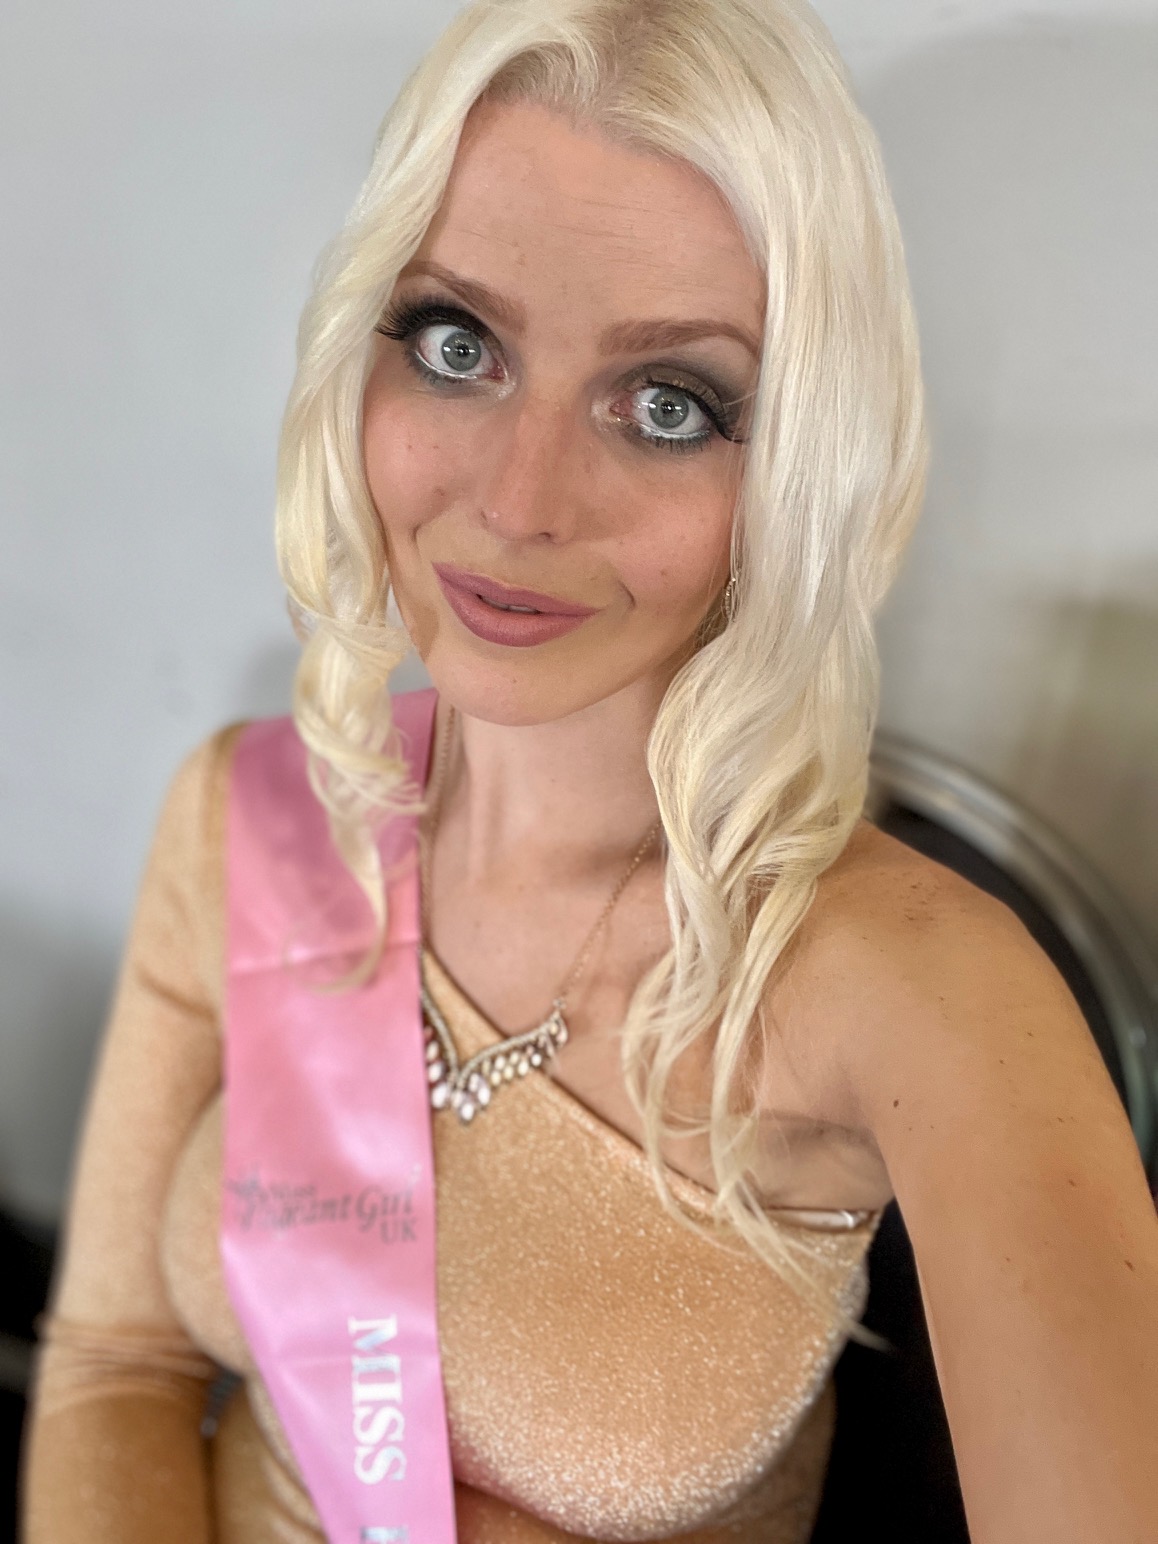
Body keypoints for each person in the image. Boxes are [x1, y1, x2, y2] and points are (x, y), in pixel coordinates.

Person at [20, 0, 1158, 1540]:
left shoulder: (906, 987)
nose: (519, 501)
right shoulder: (251, 817)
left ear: (799, 466)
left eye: (667, 404)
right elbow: (116, 1366)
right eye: (458, 345)